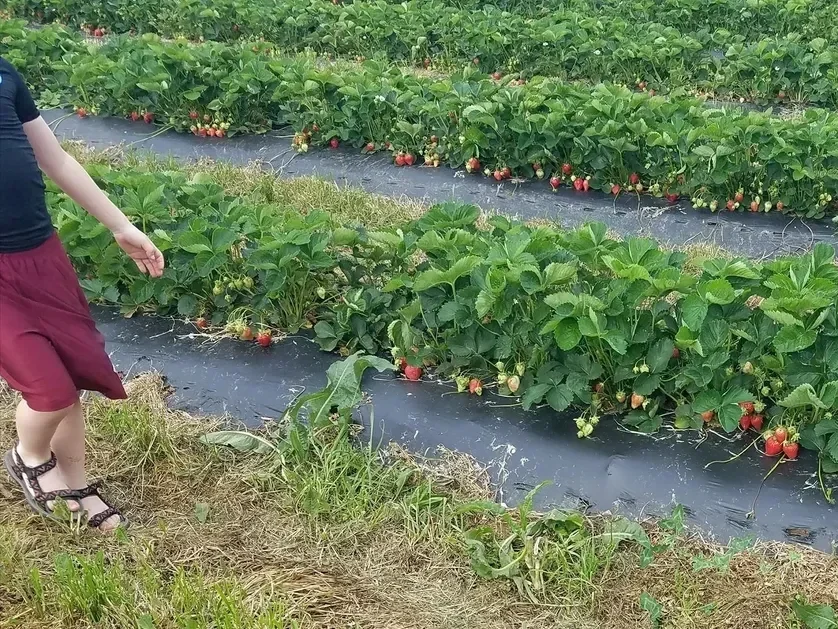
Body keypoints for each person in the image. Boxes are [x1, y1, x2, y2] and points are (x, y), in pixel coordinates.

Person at [0, 57, 164, 532]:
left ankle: (74, 476)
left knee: (75, 368)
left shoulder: (6, 74)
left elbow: (56, 159)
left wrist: (120, 225)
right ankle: (30, 457)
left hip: (40, 257)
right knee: (47, 390)